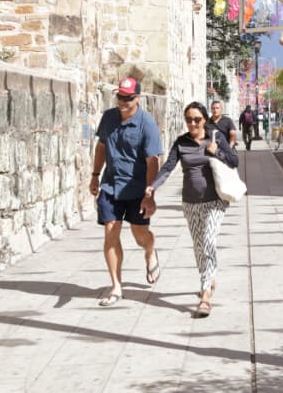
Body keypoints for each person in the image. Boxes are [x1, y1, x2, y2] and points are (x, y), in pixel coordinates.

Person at [148, 101, 239, 318]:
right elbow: (168, 166)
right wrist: (153, 187)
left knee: (208, 241)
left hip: (215, 201)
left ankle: (205, 295)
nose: (192, 123)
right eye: (188, 119)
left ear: (205, 119)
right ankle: (209, 276)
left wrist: (217, 153)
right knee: (199, 247)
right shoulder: (182, 142)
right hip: (190, 202)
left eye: (197, 119)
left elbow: (234, 161)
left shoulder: (216, 138)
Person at [90, 77, 162, 307]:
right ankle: (116, 286)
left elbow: (153, 161)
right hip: (110, 185)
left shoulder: (147, 124)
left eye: (128, 98)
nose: (122, 101)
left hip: (137, 189)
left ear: (137, 98)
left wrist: (150, 195)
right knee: (111, 232)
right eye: (120, 96)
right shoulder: (109, 117)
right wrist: (94, 175)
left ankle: (150, 250)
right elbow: (101, 146)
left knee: (140, 235)